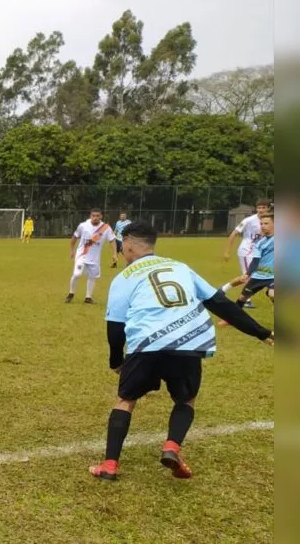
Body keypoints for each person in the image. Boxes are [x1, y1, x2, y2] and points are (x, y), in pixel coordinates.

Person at [89, 221, 273, 481]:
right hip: (187, 343)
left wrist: (116, 361)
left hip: (146, 345)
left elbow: (115, 328)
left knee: (126, 400)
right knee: (185, 400)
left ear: (128, 244)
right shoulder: (180, 267)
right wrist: (261, 332)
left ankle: (109, 466)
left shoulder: (124, 277)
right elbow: (220, 304)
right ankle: (172, 446)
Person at [224, 199, 272, 308]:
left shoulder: (271, 221)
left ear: (268, 208)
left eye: (264, 208)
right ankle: (246, 300)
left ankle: (223, 289)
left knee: (258, 274)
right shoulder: (249, 220)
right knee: (248, 275)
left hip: (259, 252)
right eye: (259, 208)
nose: (261, 210)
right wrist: (227, 251)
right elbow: (234, 233)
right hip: (247, 251)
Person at [66, 208, 117, 304]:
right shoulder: (83, 226)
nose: (95, 218)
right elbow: (74, 237)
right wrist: (72, 250)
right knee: (77, 274)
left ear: (101, 216)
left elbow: (112, 240)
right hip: (82, 254)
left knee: (92, 276)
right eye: (93, 216)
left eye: (98, 216)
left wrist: (114, 253)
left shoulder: (106, 228)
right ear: (90, 216)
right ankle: (71, 293)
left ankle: (88, 297)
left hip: (95, 257)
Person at [235, 213, 275, 308]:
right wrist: (247, 274)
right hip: (259, 275)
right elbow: (255, 261)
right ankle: (230, 318)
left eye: (266, 223)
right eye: (261, 224)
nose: (263, 226)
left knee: (272, 294)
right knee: (242, 298)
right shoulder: (259, 243)